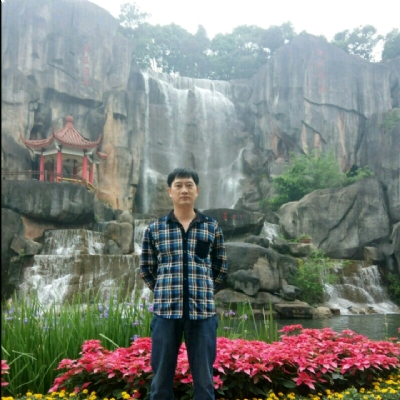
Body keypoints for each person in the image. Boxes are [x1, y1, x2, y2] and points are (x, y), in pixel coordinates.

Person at [140, 167, 228, 400]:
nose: (184, 190)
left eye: (189, 185)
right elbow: (147, 268)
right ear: (169, 191)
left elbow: (221, 267)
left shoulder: (211, 227)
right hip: (165, 314)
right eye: (178, 186)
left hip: (203, 314)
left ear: (197, 190)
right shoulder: (155, 229)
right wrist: (164, 290)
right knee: (160, 382)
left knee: (204, 383)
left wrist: (205, 290)